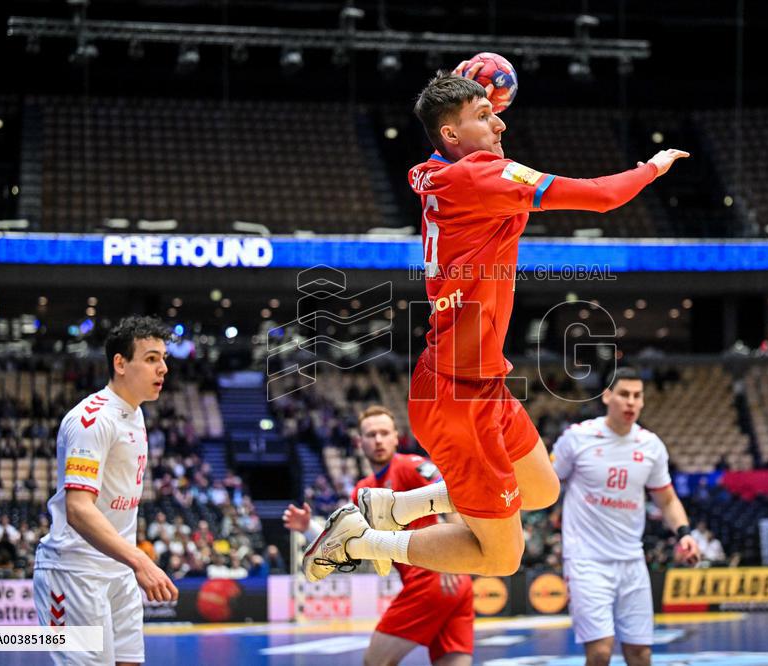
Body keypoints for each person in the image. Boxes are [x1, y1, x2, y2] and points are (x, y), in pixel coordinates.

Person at [303, 61, 688, 582]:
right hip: (458, 398)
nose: (500, 122)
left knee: (543, 488)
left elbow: (457, 125)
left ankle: (395, 506)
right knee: (502, 558)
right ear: (451, 133)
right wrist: (654, 168)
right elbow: (601, 196)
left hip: (473, 379)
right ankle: (359, 540)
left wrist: (468, 97)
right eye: (486, 116)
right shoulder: (481, 176)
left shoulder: (439, 169)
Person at [33, 316, 179, 665]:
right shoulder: (92, 419)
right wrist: (140, 559)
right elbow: (78, 509)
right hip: (76, 572)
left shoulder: (135, 414)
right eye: (151, 358)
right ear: (120, 363)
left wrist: (130, 562)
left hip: (118, 569)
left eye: (163, 358)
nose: (163, 368)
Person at [286, 405, 473, 666]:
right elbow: (344, 546)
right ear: (359, 442)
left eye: (384, 433)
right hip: (454, 585)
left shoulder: (410, 466)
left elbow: (451, 493)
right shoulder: (362, 491)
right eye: (371, 434)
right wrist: (308, 527)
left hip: (432, 580)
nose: (378, 440)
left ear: (396, 437)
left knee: (375, 662)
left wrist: (455, 557)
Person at [551, 367, 700, 666]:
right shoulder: (577, 437)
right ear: (607, 396)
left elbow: (667, 499)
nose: (631, 402)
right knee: (600, 651)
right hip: (586, 560)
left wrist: (684, 533)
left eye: (637, 396)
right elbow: (548, 483)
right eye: (624, 394)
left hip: (632, 560)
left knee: (640, 653)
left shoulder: (651, 446)